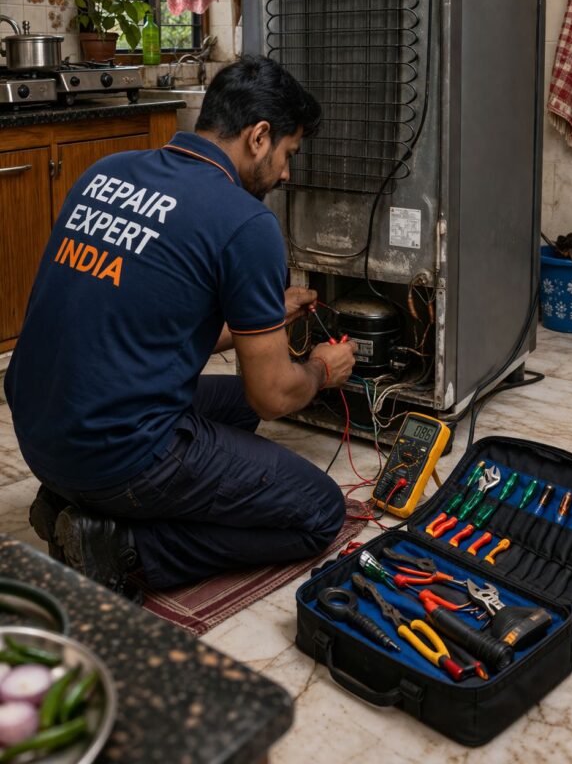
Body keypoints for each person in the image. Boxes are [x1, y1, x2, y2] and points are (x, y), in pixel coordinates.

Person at [5, 54, 357, 598]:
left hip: (40, 433)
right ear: (259, 136)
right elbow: (273, 396)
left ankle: (68, 501)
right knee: (318, 511)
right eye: (289, 154)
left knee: (233, 402)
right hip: (115, 454)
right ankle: (122, 543)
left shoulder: (106, 172)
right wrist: (319, 369)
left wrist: (263, 317)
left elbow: (151, 321)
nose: (287, 173)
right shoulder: (247, 222)